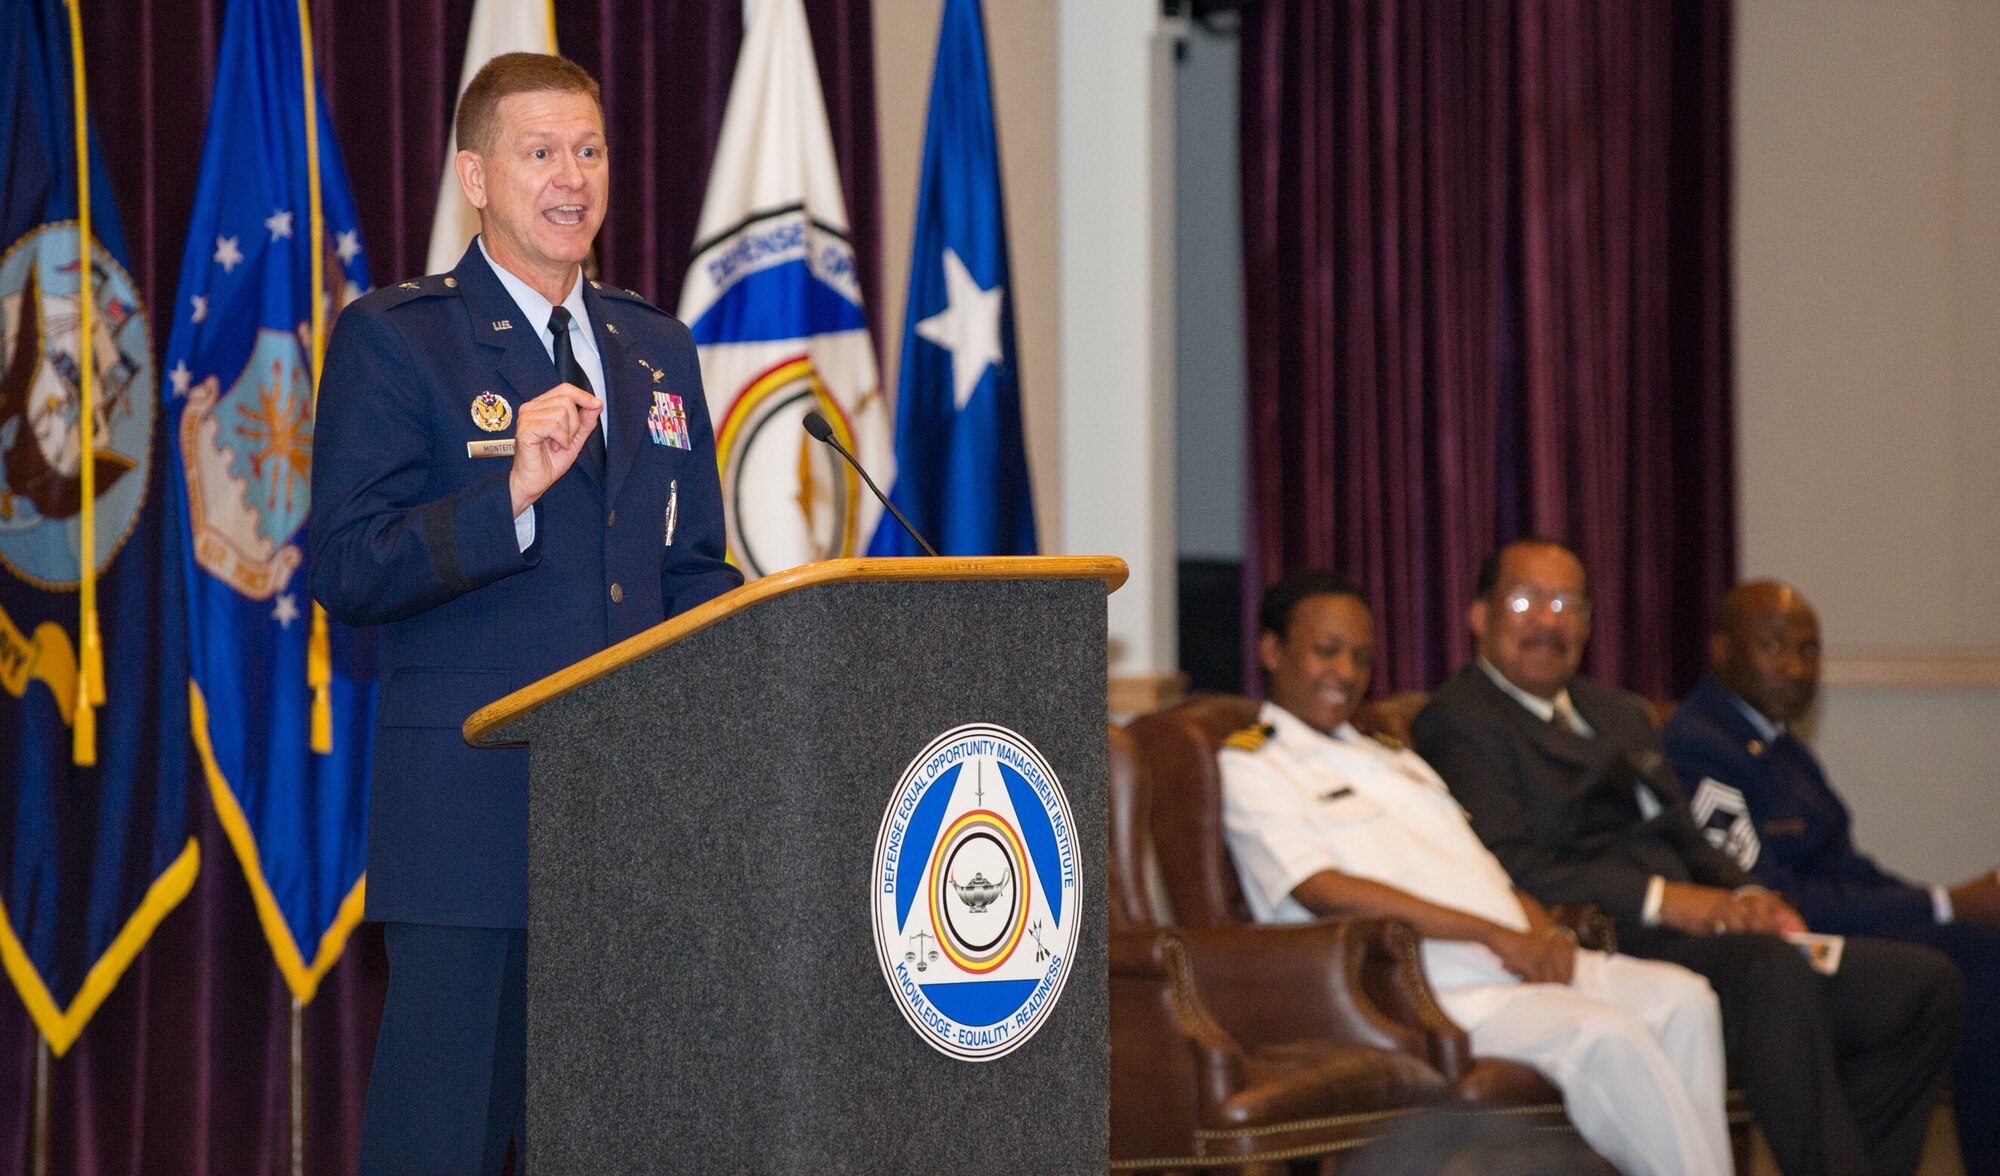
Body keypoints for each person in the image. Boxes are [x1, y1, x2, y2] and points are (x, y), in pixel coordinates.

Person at [310, 53, 740, 1175]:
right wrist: (504, 494)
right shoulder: (400, 339)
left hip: (634, 828)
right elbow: (349, 567)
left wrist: (778, 644)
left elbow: (689, 568)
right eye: (539, 151)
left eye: (589, 151)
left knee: (618, 1143)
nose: (571, 177)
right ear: (476, 178)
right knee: (438, 1145)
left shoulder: (658, 347)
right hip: (470, 824)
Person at [1411, 539, 1965, 1176]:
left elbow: (1690, 837)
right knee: (1769, 973)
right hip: (1608, 936)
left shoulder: (1618, 712)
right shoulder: (1459, 722)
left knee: (1925, 988)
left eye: (1567, 604)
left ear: (1590, 625)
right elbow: (1514, 866)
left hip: (1708, 930)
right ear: (1479, 616)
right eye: (1525, 599)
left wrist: (1751, 896)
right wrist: (1667, 901)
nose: (1548, 620)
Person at [1223, 570, 1732, 1176]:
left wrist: (1537, 927)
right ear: (1272, 651)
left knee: (1686, 1000)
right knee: (1607, 1037)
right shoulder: (1255, 763)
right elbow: (1321, 888)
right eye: (1326, 651)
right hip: (1424, 987)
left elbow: (1475, 862)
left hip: (1509, 961)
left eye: (1361, 656)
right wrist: (1490, 934)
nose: (1346, 672)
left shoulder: (1389, 754)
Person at [1663, 579, 2000, 1175]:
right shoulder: (1699, 746)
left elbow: (1850, 871)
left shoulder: (1783, 749)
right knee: (1971, 961)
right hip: (1768, 956)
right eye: (1773, 647)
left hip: (1823, 938)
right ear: (1721, 651)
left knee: (1974, 950)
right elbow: (1775, 900)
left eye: (1810, 650)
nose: (1795, 668)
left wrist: (1946, 901)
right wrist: (1947, 905)